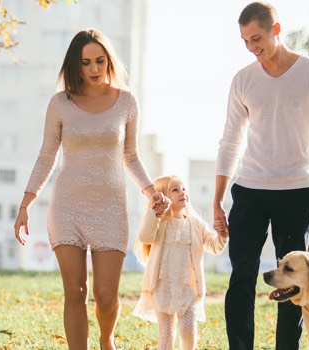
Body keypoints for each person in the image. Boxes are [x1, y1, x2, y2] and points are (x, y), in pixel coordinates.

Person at [14, 29, 167, 350]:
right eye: (86, 63)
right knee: (75, 291)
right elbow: (46, 156)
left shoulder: (127, 101)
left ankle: (106, 339)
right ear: (76, 65)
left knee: (106, 296)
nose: (94, 68)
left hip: (110, 208)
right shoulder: (60, 103)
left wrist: (151, 191)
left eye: (100, 60)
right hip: (67, 207)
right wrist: (26, 204)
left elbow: (131, 156)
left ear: (109, 61)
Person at [212, 2, 309, 349]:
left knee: (293, 283)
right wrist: (218, 201)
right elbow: (230, 142)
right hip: (250, 190)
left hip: (295, 191)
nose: (251, 47)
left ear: (276, 30)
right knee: (242, 276)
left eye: (256, 38)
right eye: (245, 41)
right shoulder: (243, 80)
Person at [133, 175, 229, 350]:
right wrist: (155, 213)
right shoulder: (159, 222)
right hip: (162, 286)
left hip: (188, 287)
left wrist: (222, 235)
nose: (182, 193)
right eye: (175, 190)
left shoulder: (197, 223)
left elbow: (214, 247)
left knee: (188, 330)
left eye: (184, 189)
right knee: (166, 333)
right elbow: (145, 237)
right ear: (162, 197)